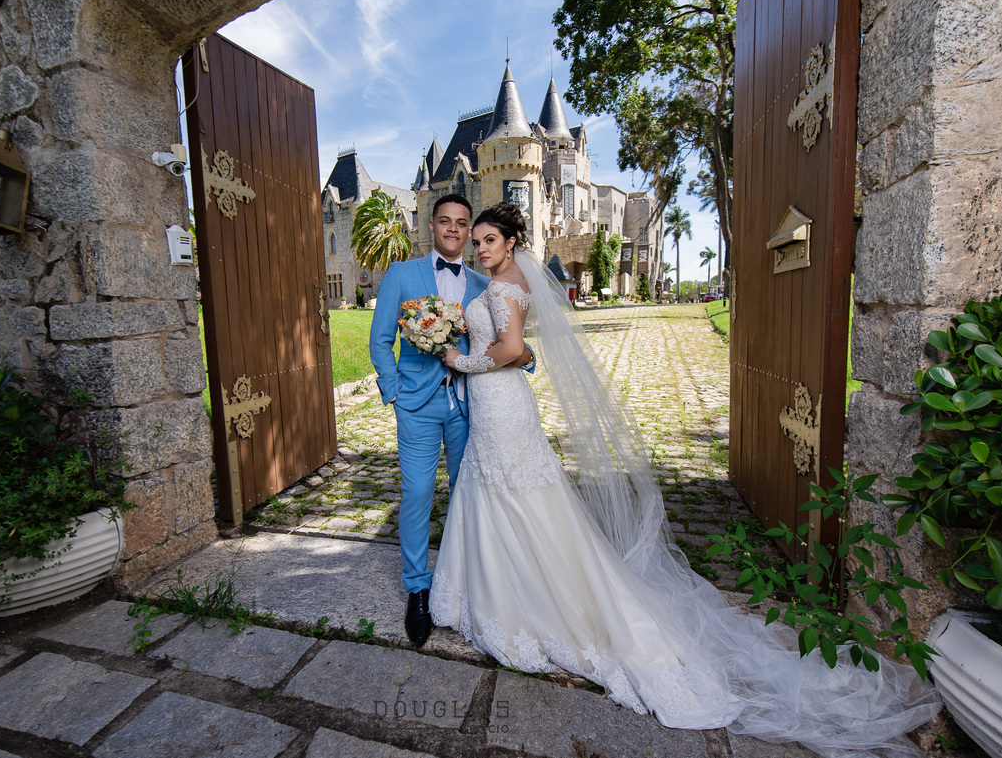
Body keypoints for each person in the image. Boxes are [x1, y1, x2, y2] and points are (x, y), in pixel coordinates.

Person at [434, 202, 942, 757]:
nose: (480, 248)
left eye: (488, 240)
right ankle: (504, 586)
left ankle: (522, 599)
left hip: (500, 405)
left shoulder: (503, 286)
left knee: (515, 497)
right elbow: (519, 347)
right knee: (505, 495)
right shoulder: (512, 281)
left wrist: (459, 361)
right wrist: (472, 343)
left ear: (510, 242)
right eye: (476, 241)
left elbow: (511, 349)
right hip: (498, 405)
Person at [368, 193, 533, 648]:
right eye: (446, 221)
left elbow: (507, 338)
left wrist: (527, 357)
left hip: (469, 406)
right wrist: (393, 390)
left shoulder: (485, 281)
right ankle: (418, 588)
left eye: (463, 223)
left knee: (469, 494)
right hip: (417, 405)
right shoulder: (402, 274)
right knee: (418, 493)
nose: (455, 230)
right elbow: (380, 339)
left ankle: (468, 581)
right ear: (432, 226)